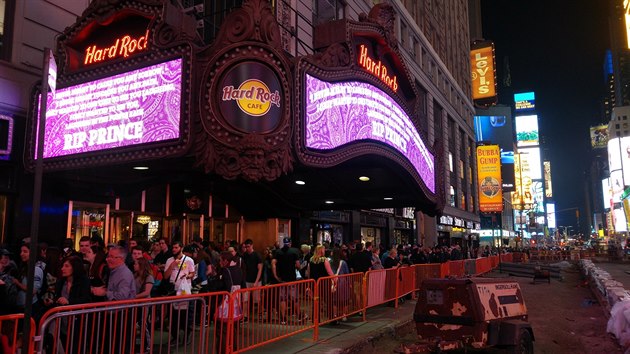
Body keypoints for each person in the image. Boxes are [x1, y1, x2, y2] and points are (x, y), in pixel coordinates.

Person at [91, 246, 136, 353]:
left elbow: (122, 296)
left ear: (121, 259)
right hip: (114, 315)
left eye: (111, 257)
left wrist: (105, 292)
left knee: (118, 346)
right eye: (108, 256)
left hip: (121, 316)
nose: (107, 259)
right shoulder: (114, 271)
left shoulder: (124, 274)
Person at [45, 255, 91, 354]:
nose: (62, 269)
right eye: (62, 266)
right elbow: (58, 297)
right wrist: (53, 301)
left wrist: (69, 302)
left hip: (77, 322)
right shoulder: (61, 281)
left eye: (66, 266)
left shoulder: (84, 281)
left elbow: (86, 300)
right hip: (62, 321)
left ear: (75, 267)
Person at [164, 242, 195, 346]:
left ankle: (187, 335)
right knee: (173, 315)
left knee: (185, 315)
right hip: (174, 289)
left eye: (176, 247)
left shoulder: (189, 260)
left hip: (184, 290)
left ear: (181, 248)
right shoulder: (169, 260)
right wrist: (172, 265)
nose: (173, 249)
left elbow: (192, 273)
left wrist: (187, 276)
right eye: (172, 247)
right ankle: (175, 337)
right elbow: (166, 276)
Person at [271, 237, 305, 324]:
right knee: (295, 299)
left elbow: (273, 263)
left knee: (283, 299)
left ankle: (283, 318)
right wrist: (300, 267)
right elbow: (298, 265)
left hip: (282, 279)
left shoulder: (278, 252)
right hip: (292, 279)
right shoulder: (294, 251)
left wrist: (275, 275)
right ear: (290, 243)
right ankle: (299, 316)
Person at [14, 243, 44, 320]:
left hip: (30, 307)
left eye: (25, 251)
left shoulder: (36, 269)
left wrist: (17, 283)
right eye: (21, 251)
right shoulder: (24, 267)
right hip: (21, 306)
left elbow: (33, 290)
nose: (21, 254)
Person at [242, 238, 262, 322]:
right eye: (246, 247)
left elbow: (260, 269)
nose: (247, 248)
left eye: (248, 246)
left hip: (255, 280)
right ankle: (245, 316)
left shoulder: (257, 255)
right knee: (245, 299)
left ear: (252, 246)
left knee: (257, 300)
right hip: (247, 280)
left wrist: (256, 281)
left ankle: (259, 314)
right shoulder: (244, 255)